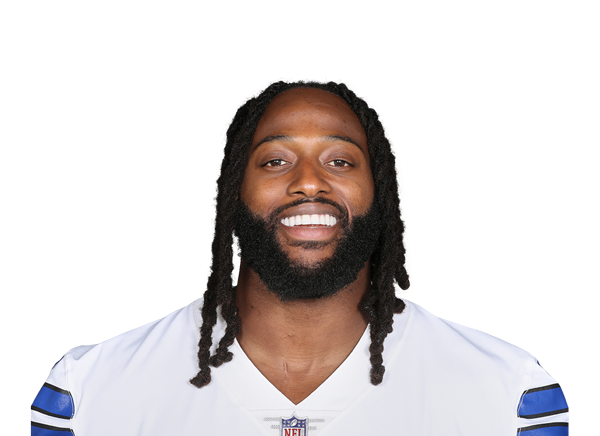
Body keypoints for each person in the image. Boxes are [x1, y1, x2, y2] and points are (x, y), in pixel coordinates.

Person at [30, 78, 569, 435]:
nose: (309, 182)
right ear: (233, 193)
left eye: (340, 161)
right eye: (274, 161)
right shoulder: (86, 396)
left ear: (380, 192)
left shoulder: (511, 400)